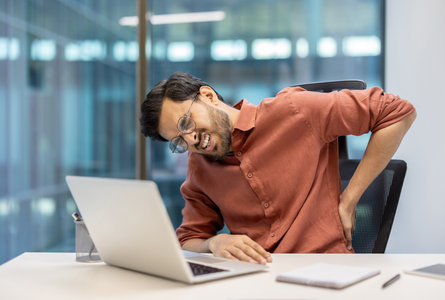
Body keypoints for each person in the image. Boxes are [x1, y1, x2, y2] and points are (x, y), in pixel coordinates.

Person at [140, 72, 416, 265]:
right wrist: (213, 244)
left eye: (186, 124)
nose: (190, 140)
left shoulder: (295, 110)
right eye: (178, 141)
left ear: (208, 95)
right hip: (256, 279)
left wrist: (349, 199)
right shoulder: (199, 165)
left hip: (324, 271)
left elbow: (398, 112)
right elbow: (189, 239)